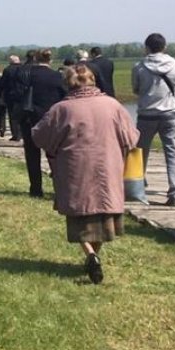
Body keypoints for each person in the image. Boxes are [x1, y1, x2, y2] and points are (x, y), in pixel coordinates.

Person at [32, 64, 140, 284]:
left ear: (68, 83)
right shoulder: (113, 105)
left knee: (80, 215)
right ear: (93, 80)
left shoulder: (61, 109)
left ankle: (90, 254)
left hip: (75, 169)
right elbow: (132, 138)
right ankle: (94, 255)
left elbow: (39, 136)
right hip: (107, 167)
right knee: (103, 212)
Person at [132, 33, 175, 206]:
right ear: (165, 46)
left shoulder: (139, 66)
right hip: (170, 113)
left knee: (141, 152)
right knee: (172, 153)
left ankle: (138, 187)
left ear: (146, 47)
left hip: (147, 113)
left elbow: (136, 88)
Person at [20, 49, 66, 198]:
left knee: (32, 155)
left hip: (29, 117)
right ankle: (59, 188)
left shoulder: (25, 75)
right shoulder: (57, 76)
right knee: (54, 156)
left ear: (35, 59)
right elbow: (65, 97)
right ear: (50, 60)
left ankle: (35, 189)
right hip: (51, 119)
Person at [0, 54, 26, 141]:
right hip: (23, 95)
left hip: (11, 96)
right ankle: (22, 133)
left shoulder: (7, 70)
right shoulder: (24, 68)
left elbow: (2, 83)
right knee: (22, 115)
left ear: (10, 61)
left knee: (12, 116)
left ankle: (15, 134)